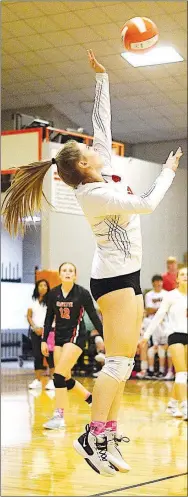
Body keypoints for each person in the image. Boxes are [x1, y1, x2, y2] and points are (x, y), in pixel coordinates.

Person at [1, 49, 183, 476]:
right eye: (86, 150)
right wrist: (169, 170)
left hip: (122, 273)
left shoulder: (97, 172)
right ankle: (93, 435)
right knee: (119, 362)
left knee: (125, 362)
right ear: (83, 164)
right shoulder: (95, 193)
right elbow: (148, 205)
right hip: (116, 278)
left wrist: (101, 78)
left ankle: (108, 432)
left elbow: (102, 125)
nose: (94, 147)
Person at [41, 262, 103, 430]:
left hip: (76, 337)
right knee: (65, 379)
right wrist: (44, 340)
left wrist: (105, 337)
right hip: (59, 338)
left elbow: (94, 316)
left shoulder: (82, 293)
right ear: (60, 275)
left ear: (75, 275)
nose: (67, 273)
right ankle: (91, 400)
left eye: (71, 271)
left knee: (58, 376)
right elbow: (48, 319)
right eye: (64, 270)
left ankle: (59, 416)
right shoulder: (53, 294)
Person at [142, 267, 187, 420]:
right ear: (177, 280)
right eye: (182, 274)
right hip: (175, 336)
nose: (185, 277)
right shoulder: (171, 296)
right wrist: (146, 336)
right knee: (181, 373)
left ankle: (172, 404)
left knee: (184, 374)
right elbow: (158, 316)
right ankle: (185, 406)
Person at [27, 279, 54, 390]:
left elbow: (54, 316)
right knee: (37, 356)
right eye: (40, 285)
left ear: (48, 288)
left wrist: (44, 329)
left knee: (50, 356)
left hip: (48, 332)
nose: (43, 287)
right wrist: (35, 327)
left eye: (45, 285)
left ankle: (52, 380)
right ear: (37, 288)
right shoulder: (32, 301)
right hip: (35, 332)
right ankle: (37, 380)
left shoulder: (51, 301)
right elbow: (29, 316)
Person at [144, 275, 171, 379]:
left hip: (164, 321)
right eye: (157, 282)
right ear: (153, 283)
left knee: (163, 347)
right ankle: (150, 370)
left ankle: (163, 371)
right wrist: (161, 310)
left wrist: (158, 310)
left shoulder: (167, 294)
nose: (159, 284)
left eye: (160, 282)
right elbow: (149, 310)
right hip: (152, 322)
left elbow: (168, 309)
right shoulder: (149, 295)